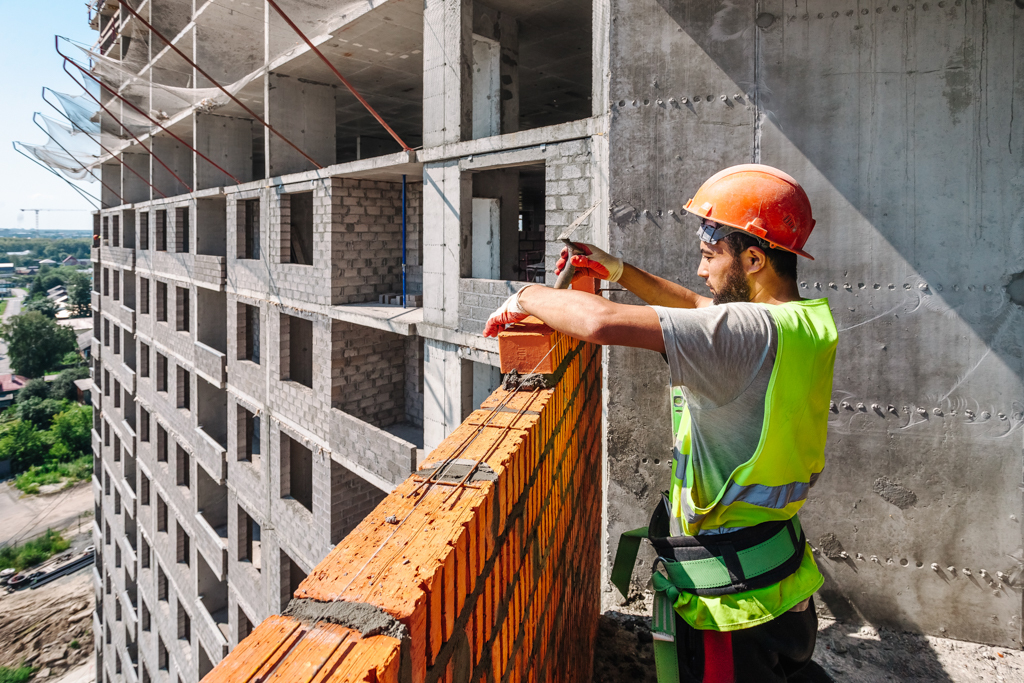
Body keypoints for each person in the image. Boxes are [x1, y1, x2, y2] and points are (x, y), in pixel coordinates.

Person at [483, 165, 838, 682]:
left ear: (754, 258)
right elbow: (701, 307)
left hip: (733, 613)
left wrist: (524, 297)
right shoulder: (806, 321)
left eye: (710, 255)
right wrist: (618, 271)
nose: (701, 271)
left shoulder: (744, 333)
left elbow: (599, 324)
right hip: (783, 581)